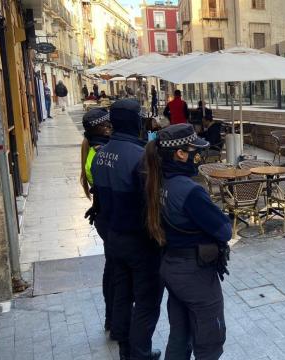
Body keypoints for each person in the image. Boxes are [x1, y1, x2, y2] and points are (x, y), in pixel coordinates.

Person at [143, 124, 231, 360]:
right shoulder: (190, 191)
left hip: (172, 267)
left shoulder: (158, 182)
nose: (197, 154)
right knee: (209, 339)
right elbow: (224, 230)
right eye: (194, 149)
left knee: (180, 335)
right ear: (180, 153)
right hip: (195, 274)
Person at [91, 99, 163, 360]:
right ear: (135, 121)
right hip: (139, 241)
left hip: (113, 237)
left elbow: (97, 198)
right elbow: (152, 203)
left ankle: (125, 350)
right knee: (146, 301)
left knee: (122, 294)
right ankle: (140, 354)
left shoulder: (101, 155)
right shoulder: (140, 157)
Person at [79, 109, 114, 333]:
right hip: (109, 218)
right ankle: (113, 317)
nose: (110, 128)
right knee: (114, 272)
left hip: (102, 216)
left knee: (111, 269)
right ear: (98, 129)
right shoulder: (100, 153)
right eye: (106, 125)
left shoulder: (90, 149)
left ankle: (111, 317)